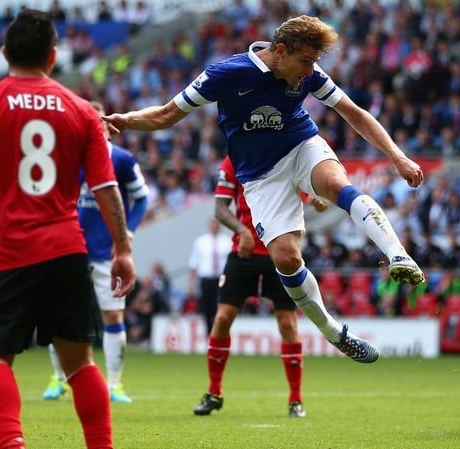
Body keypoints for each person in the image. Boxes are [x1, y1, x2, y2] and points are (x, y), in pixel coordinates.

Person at [104, 15, 426, 363]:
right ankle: (335, 333)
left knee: (336, 184)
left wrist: (398, 157)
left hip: (300, 145)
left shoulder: (309, 73)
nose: (310, 70)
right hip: (260, 176)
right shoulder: (226, 73)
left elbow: (355, 113)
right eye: (305, 61)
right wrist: (127, 120)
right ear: (281, 51)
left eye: (314, 62)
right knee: (286, 259)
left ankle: (397, 254)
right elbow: (166, 114)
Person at [0, 10, 135, 449]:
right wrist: (123, 248)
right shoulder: (81, 110)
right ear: (53, 56)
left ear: (5, 53)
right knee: (80, 363)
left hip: (9, 253)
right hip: (67, 250)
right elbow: (106, 189)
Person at [193, 156, 327, 418]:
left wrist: (318, 200)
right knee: (222, 318)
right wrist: (242, 230)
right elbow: (220, 209)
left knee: (287, 324)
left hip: (281, 252)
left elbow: (313, 195)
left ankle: (295, 399)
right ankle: (214, 392)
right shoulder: (234, 159)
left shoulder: (287, 154)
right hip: (243, 251)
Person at [42, 101, 149, 404]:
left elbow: (141, 197)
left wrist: (127, 234)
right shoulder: (68, 157)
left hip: (106, 253)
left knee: (112, 315)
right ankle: (58, 378)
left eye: (96, 121)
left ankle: (114, 385)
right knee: (57, 313)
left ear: (107, 126)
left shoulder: (122, 160)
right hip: (68, 247)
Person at [188, 218, 232, 335]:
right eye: (212, 224)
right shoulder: (200, 242)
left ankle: (218, 331)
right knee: (206, 307)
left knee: (219, 306)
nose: (214, 226)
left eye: (216, 224)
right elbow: (193, 263)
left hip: (221, 279)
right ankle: (208, 332)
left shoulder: (227, 242)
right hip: (206, 279)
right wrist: (191, 284)